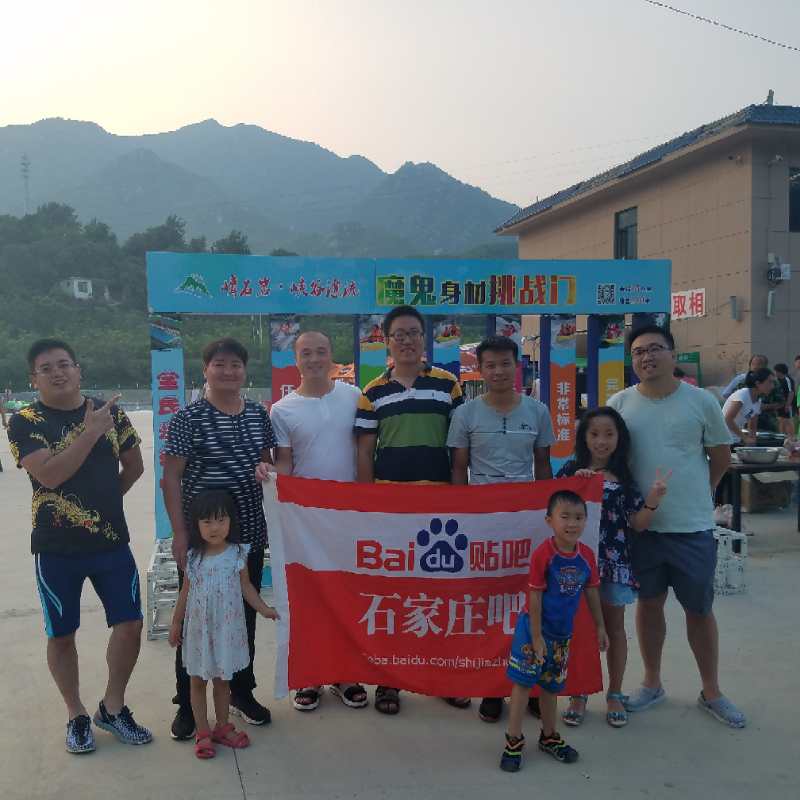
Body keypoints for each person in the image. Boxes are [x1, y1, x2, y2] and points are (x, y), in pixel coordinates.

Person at [8, 338, 151, 754]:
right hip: (56, 549)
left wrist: (102, 504)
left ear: (78, 369)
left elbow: (135, 466)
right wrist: (89, 434)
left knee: (130, 625)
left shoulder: (110, 412)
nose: (57, 372)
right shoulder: (24, 421)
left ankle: (113, 707)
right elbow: (49, 475)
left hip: (111, 543)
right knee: (61, 634)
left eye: (64, 364)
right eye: (46, 368)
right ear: (33, 379)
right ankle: (76, 713)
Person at [608, 325, 745, 728]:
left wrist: (701, 493)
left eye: (655, 349)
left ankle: (711, 691)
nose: (646, 357)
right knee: (648, 605)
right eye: (638, 352)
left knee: (699, 610)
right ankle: (652, 683)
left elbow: (720, 457)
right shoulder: (619, 404)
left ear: (672, 354)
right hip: (642, 528)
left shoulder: (701, 401)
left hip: (691, 528)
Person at [355, 304, 467, 715]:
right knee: (393, 595)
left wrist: (462, 498)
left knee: (440, 595)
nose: (406, 340)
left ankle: (444, 677)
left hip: (440, 506)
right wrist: (367, 504)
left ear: (424, 339)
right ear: (386, 341)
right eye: (398, 334)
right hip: (391, 508)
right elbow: (364, 452)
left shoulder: (449, 385)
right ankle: (389, 682)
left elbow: (459, 448)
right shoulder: (372, 392)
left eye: (413, 333)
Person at [163, 337, 277, 740]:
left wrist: (267, 470)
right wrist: (180, 533)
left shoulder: (258, 415)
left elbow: (268, 464)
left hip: (248, 534)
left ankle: (242, 693)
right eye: (220, 364)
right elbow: (171, 478)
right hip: (204, 539)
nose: (228, 371)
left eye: (236, 365)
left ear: (245, 371)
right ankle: (187, 704)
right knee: (196, 620)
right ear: (206, 369)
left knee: (242, 617)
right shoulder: (188, 418)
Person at [256, 330, 367, 712]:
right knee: (308, 598)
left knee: (347, 595)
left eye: (321, 352)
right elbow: (286, 463)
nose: (315, 359)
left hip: (349, 516)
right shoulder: (282, 410)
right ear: (296, 359)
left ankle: (345, 674)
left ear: (332, 356)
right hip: (306, 520)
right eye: (307, 353)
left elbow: (364, 452)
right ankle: (310, 677)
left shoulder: (354, 396)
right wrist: (271, 475)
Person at [448, 334, 555, 724]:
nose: (498, 371)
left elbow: (543, 466)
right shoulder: (466, 415)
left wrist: (547, 517)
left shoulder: (538, 411)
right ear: (480, 369)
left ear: (517, 366)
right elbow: (459, 469)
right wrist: (464, 515)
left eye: (505, 363)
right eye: (490, 365)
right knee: (489, 609)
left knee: (529, 606)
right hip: (483, 523)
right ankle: (492, 689)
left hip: (527, 523)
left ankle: (530, 687)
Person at [556, 408, 669, 728]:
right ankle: (578, 693)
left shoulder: (625, 479)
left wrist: (654, 498)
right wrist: (575, 485)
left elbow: (638, 523)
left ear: (620, 438)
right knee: (579, 630)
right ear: (583, 438)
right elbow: (551, 508)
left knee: (614, 628)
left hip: (613, 565)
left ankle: (615, 693)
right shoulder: (571, 471)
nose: (601, 441)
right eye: (594, 434)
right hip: (575, 565)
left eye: (609, 434)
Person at [499, 490, 608, 772]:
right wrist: (536, 637)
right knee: (523, 685)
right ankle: (513, 740)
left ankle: (549, 736)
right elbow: (534, 598)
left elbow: (592, 592)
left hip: (561, 637)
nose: (572, 523)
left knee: (550, 686)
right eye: (565, 517)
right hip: (532, 632)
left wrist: (600, 626)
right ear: (550, 521)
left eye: (579, 517)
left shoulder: (586, 556)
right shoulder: (543, 555)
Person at [169, 491, 279, 759]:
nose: (215, 527)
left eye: (221, 520)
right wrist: (175, 623)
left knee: (222, 682)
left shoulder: (237, 553)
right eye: (207, 521)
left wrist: (263, 608)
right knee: (197, 682)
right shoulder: (193, 557)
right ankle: (203, 732)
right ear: (196, 524)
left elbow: (247, 587)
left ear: (231, 521)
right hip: (199, 633)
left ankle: (221, 726)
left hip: (226, 633)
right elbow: (185, 592)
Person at [721, 368, 775, 445]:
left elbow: (752, 425)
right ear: (758, 383)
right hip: (723, 440)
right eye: (770, 382)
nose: (772, 386)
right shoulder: (742, 395)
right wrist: (745, 438)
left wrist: (753, 441)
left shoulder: (758, 401)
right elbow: (727, 419)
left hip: (736, 440)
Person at [773, 363, 795, 438]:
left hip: (787, 403)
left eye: (776, 371)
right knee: (780, 420)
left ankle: (791, 437)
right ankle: (782, 436)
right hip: (779, 404)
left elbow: (791, 392)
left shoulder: (787, 379)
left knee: (788, 420)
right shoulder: (776, 380)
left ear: (780, 371)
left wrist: (787, 405)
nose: (775, 373)